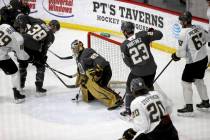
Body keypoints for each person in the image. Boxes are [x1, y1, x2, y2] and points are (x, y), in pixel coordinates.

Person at [120, 21, 163, 117]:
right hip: (152, 69)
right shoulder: (143, 34)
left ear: (125, 32)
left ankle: (128, 110)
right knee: (149, 86)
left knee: (128, 86)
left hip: (138, 71)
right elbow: (160, 35)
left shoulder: (124, 45)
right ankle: (154, 106)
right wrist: (152, 32)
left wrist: (135, 68)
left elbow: (127, 61)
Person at [171, 11, 210, 117]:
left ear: (186, 21)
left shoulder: (183, 33)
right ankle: (205, 102)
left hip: (193, 63)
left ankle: (189, 108)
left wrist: (176, 56)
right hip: (204, 59)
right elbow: (208, 38)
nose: (180, 22)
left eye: (181, 20)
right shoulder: (198, 27)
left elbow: (181, 53)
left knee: (185, 82)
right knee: (199, 80)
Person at [15, 15, 60, 96]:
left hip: (19, 45)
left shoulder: (39, 21)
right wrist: (42, 59)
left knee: (22, 63)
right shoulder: (51, 36)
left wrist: (22, 28)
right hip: (31, 50)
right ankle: (39, 88)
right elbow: (44, 50)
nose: (55, 32)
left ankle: (20, 85)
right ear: (54, 27)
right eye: (56, 30)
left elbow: (23, 17)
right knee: (41, 66)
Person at [71, 40, 123, 109]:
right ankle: (112, 96)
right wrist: (77, 83)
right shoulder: (82, 56)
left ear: (79, 47)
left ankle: (115, 99)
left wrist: (98, 70)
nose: (74, 51)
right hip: (101, 71)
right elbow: (80, 72)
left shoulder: (86, 53)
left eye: (74, 49)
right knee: (91, 85)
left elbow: (98, 59)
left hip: (102, 70)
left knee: (96, 87)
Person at [0, 23, 29, 103]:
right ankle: (17, 96)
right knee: (15, 73)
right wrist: (29, 58)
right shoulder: (19, 39)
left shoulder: (5, 25)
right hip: (1, 57)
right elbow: (21, 56)